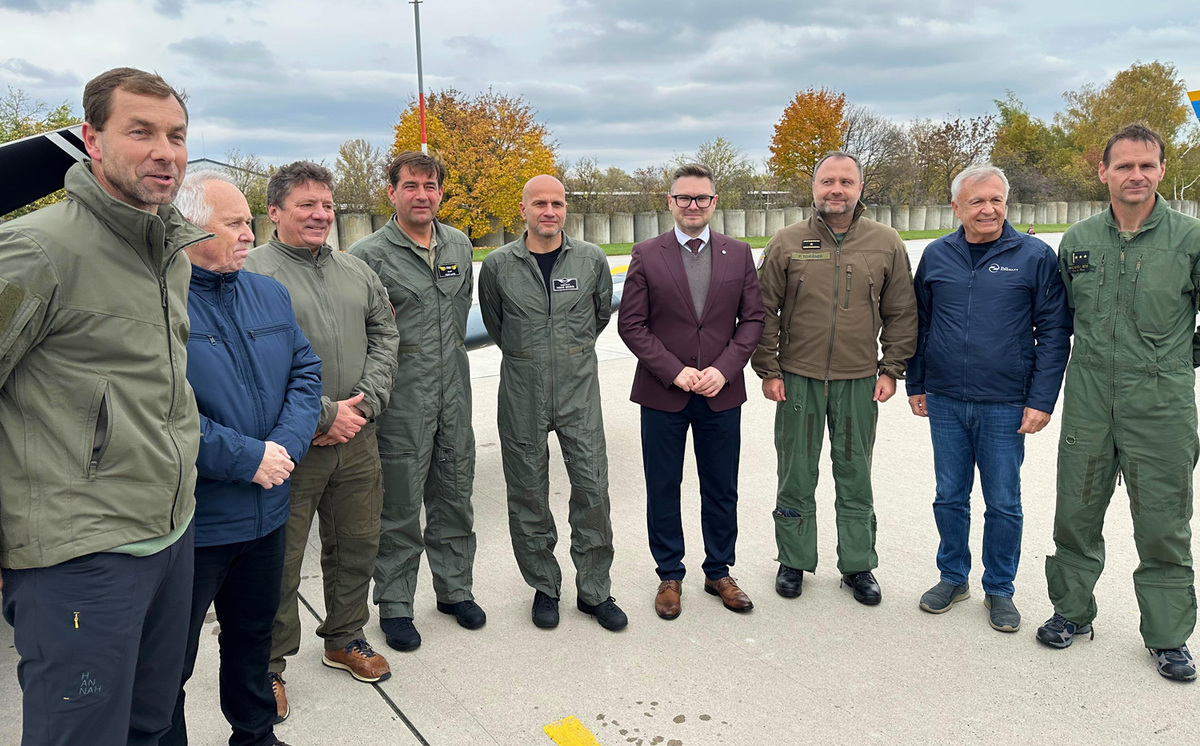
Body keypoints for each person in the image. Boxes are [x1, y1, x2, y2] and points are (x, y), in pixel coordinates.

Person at [0, 67, 203, 745]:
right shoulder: (38, 249)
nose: (164, 151)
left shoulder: (171, 251)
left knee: (150, 724)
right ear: (91, 139)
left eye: (175, 135)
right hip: (81, 558)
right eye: (140, 131)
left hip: (171, 535)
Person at [163, 171, 322, 746]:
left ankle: (255, 735)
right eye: (233, 224)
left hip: (267, 511)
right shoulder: (161, 301)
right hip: (196, 524)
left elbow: (305, 371)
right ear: (186, 228)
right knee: (167, 663)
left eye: (249, 221)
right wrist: (246, 458)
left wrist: (284, 446)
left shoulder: (266, 292)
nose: (249, 234)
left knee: (253, 636)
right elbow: (159, 408)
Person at [1039, 124, 1200, 682]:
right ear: (1103, 172)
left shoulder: (1189, 238)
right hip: (1089, 400)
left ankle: (1167, 635)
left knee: (1162, 523)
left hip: (1161, 406)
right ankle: (1072, 611)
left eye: (1147, 166)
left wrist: (1176, 361)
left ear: (1161, 171)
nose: (1136, 176)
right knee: (1076, 512)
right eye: (1124, 166)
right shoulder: (1078, 241)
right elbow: (1058, 324)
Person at [245, 161, 399, 717]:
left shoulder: (356, 272)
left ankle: (343, 637)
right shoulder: (252, 275)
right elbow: (253, 366)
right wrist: (323, 415)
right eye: (306, 204)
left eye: (327, 205)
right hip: (289, 447)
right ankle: (268, 665)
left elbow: (385, 333)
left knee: (357, 543)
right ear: (275, 211)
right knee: (279, 562)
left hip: (358, 438)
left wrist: (366, 402)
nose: (320, 215)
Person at [906, 164, 1070, 633]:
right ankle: (953, 577)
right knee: (949, 496)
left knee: (1003, 502)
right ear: (956, 207)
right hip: (946, 401)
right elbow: (919, 324)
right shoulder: (937, 256)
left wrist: (1041, 400)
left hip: (1005, 404)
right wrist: (917, 383)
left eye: (996, 200)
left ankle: (999, 588)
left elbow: (1055, 332)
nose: (988, 208)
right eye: (977, 201)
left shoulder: (1034, 255)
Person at [751, 151, 917, 605]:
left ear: (860, 188)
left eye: (846, 181)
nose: (836, 189)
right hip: (797, 378)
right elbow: (762, 311)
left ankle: (858, 565)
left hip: (859, 379)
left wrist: (891, 369)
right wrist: (768, 368)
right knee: (796, 473)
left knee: (855, 474)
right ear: (814, 188)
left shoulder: (886, 243)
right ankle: (794, 560)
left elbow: (901, 312)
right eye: (827, 181)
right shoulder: (786, 242)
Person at [347, 152, 485, 652]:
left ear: (441, 193)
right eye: (410, 186)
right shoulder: (367, 255)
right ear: (391, 192)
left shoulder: (459, 245)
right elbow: (360, 332)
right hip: (401, 399)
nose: (421, 194)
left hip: (455, 394)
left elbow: (461, 310)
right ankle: (397, 604)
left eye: (430, 186)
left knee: (454, 495)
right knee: (400, 506)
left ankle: (454, 589)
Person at [618, 163, 765, 620]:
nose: (693, 205)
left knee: (721, 487)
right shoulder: (646, 253)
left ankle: (718, 570)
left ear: (714, 202)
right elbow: (632, 324)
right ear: (670, 202)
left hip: (721, 393)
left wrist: (723, 369)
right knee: (664, 485)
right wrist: (673, 370)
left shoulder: (738, 254)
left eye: (701, 198)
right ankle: (669, 574)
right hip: (664, 394)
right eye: (684, 198)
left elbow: (754, 320)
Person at [478, 175, 626, 631]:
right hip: (522, 390)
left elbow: (600, 315)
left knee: (592, 489)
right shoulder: (499, 265)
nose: (549, 211)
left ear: (566, 209)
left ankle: (594, 590)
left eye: (557, 203)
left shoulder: (590, 260)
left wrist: (567, 353)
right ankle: (544, 585)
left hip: (579, 392)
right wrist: (534, 357)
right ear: (522, 210)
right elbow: (495, 324)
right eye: (539, 203)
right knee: (527, 494)